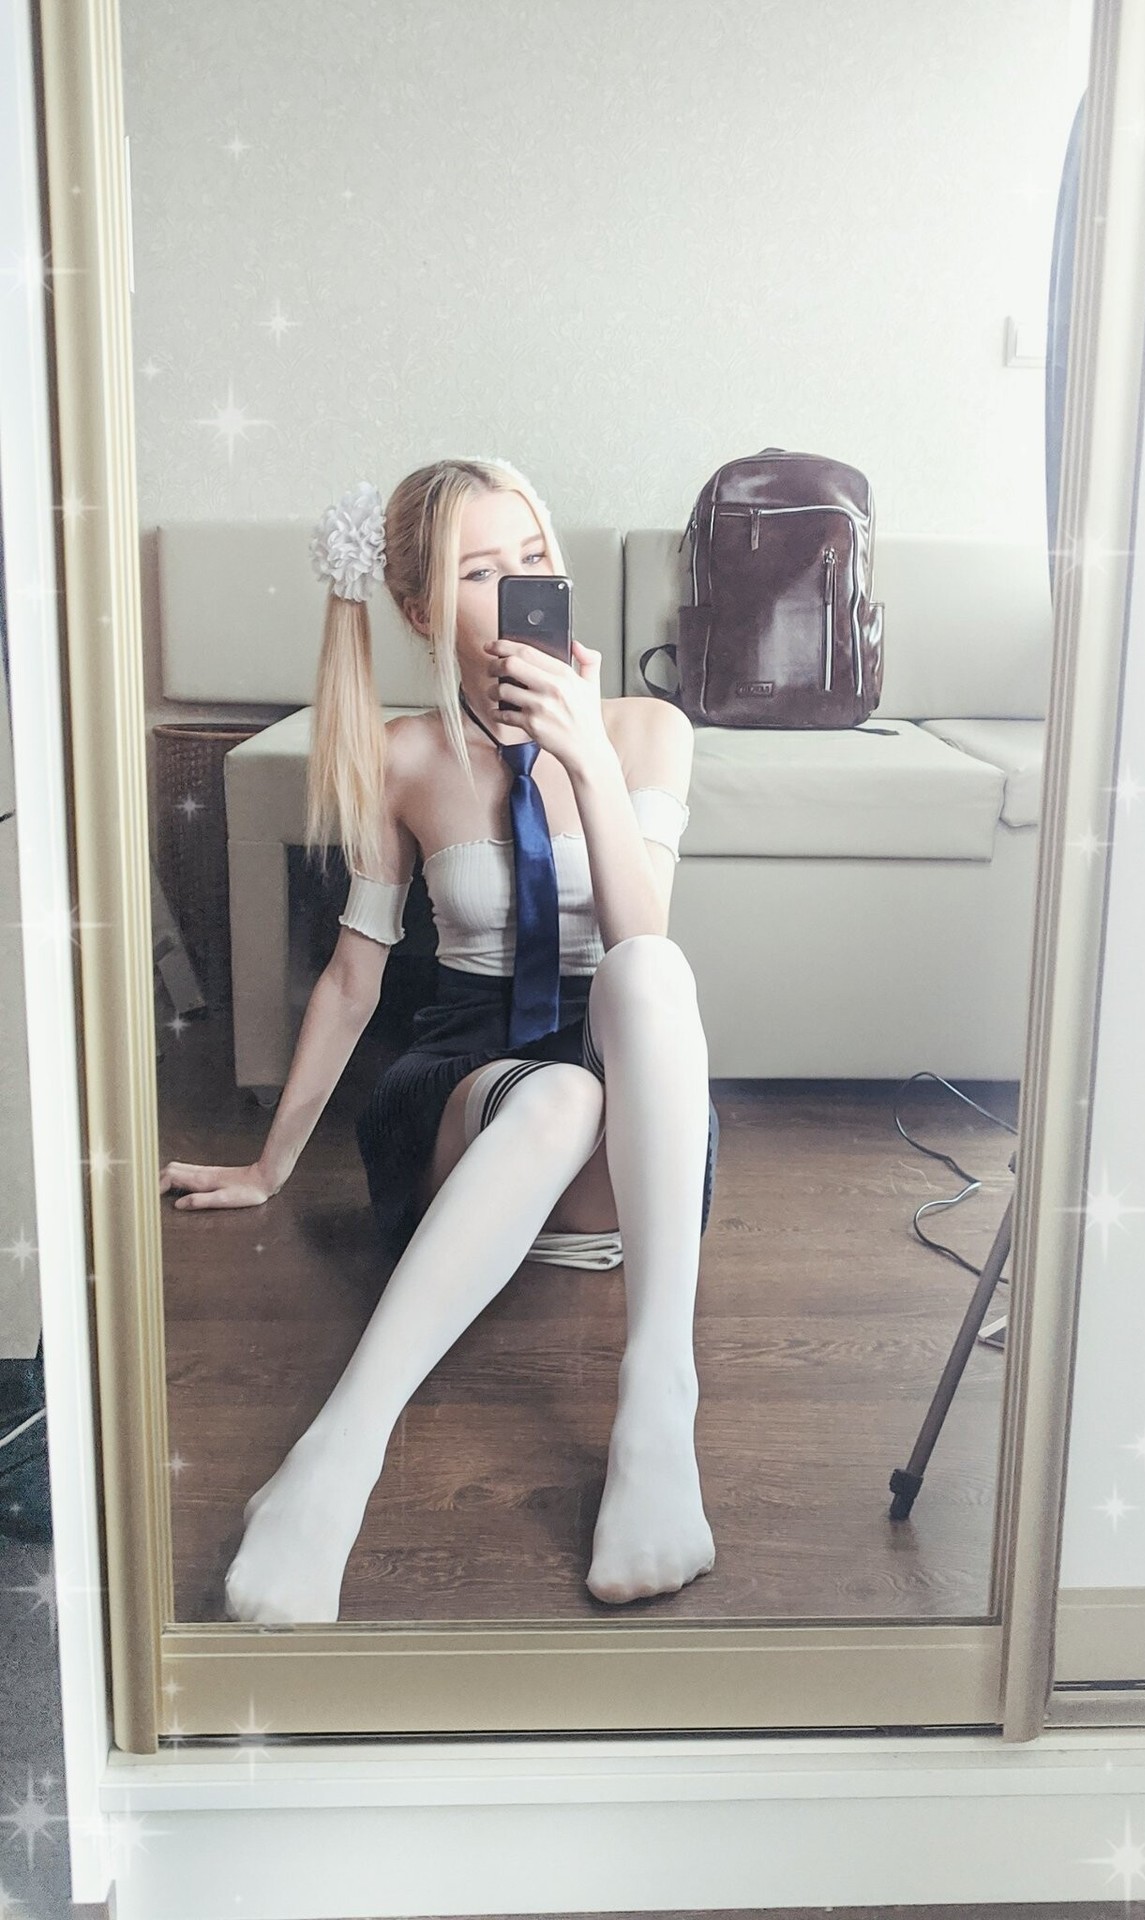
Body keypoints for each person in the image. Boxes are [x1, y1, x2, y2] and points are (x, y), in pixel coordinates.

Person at [158, 457, 717, 1622]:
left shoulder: (647, 730)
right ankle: (334, 1460)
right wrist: (269, 1165)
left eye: (533, 559)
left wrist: (587, 760)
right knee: (556, 1099)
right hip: (467, 1092)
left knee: (650, 975)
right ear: (420, 610)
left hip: (630, 1112)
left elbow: (639, 938)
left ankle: (659, 1413)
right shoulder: (406, 756)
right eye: (478, 571)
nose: (518, 588)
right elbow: (353, 977)